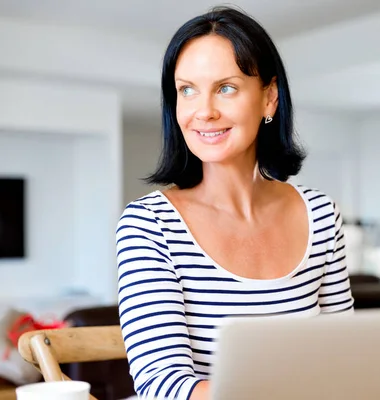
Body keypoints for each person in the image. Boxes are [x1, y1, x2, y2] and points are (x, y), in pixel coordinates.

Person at [116, 6, 354, 400]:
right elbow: (162, 386)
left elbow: (346, 357)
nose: (204, 111)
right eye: (187, 89)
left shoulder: (321, 215)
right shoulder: (149, 225)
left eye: (226, 87)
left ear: (269, 99)